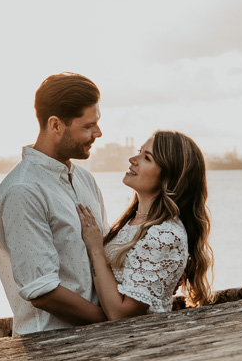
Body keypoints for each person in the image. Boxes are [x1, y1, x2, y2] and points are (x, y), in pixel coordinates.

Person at [0, 73, 108, 335]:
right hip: (51, 346)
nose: (98, 133)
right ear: (55, 125)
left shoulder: (85, 180)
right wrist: (111, 320)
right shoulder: (23, 191)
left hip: (99, 340)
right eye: (88, 126)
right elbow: (42, 292)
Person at [78, 131, 213, 319]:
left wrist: (95, 249)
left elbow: (121, 315)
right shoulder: (132, 221)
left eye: (146, 158)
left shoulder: (166, 235)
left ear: (169, 177)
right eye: (139, 152)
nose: (133, 159)